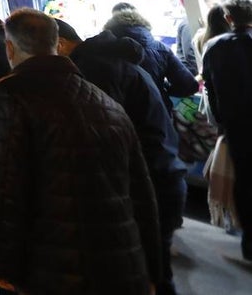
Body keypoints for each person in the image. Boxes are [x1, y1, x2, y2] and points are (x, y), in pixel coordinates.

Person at [0, 9, 161, 294]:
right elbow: (142, 193)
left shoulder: (8, 96)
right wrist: (151, 268)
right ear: (56, 43)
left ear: (9, 48)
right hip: (121, 264)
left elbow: (2, 186)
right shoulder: (105, 102)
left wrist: (3, 263)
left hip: (51, 267)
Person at [56, 20, 185, 295]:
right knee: (152, 270)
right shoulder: (108, 61)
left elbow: (104, 138)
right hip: (162, 173)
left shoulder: (93, 70)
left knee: (148, 274)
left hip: (150, 181)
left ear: (60, 44)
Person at [201, 0, 252, 261]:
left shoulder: (215, 47)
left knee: (244, 180)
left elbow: (209, 87)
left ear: (228, 18)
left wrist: (221, 120)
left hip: (236, 125)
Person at [105, 8, 198, 112]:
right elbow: (189, 85)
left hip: (118, 115)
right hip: (159, 113)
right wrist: (163, 89)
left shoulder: (103, 52)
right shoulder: (160, 49)